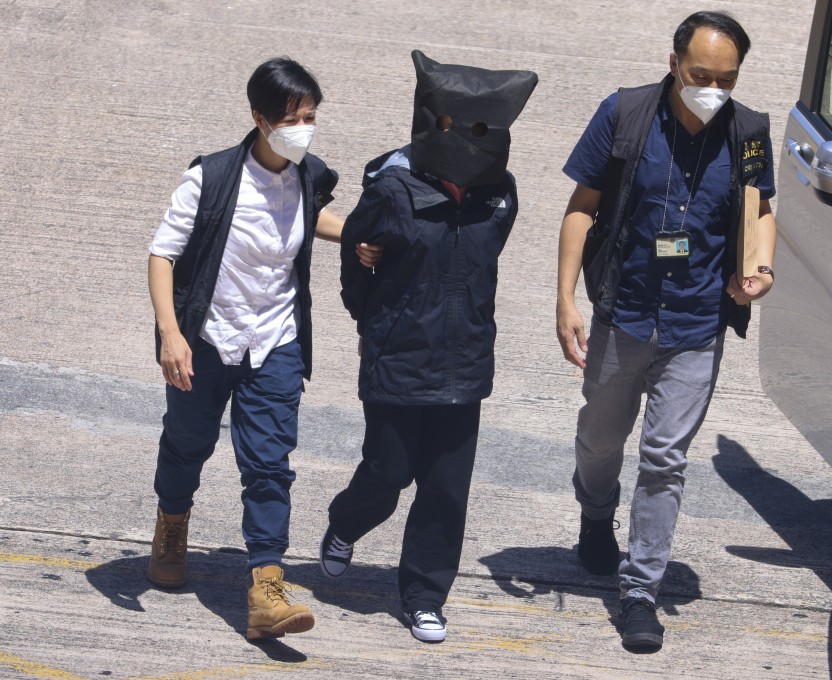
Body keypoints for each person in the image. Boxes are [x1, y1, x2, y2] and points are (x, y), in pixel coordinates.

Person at [555, 11, 777, 650]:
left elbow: (761, 211)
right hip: (623, 313)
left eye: (726, 78)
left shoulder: (749, 133)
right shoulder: (625, 114)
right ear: (675, 61)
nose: (712, 87)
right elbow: (581, 209)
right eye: (701, 74)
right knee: (600, 442)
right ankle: (595, 513)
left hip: (696, 323)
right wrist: (565, 300)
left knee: (664, 460)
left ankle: (640, 591)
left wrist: (761, 270)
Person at [145, 57, 379, 639]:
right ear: (260, 118)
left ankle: (266, 588)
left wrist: (355, 235)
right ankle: (173, 524)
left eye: (311, 116)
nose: (305, 127)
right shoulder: (213, 177)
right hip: (208, 339)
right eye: (295, 118)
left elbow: (311, 215)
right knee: (187, 444)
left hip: (275, 341)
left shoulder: (308, 174)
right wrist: (171, 334)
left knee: (270, 464)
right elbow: (162, 255)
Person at [318, 50, 538, 644]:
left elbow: (483, 260)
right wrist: (369, 313)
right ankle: (344, 524)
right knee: (387, 473)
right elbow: (354, 248)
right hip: (398, 359)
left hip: (465, 365)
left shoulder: (502, 196)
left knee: (445, 490)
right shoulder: (392, 189)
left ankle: (423, 595)